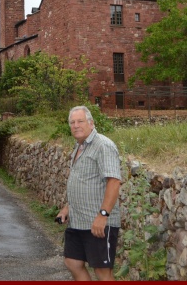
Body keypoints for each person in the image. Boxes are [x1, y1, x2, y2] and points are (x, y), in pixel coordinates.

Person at [55, 105, 123, 281]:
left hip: (97, 222)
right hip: (78, 221)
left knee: (102, 271)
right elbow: (85, 183)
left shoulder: (103, 145)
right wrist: (66, 209)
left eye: (80, 121)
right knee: (72, 262)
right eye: (72, 122)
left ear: (91, 123)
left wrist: (103, 215)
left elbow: (114, 181)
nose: (75, 125)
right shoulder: (79, 147)